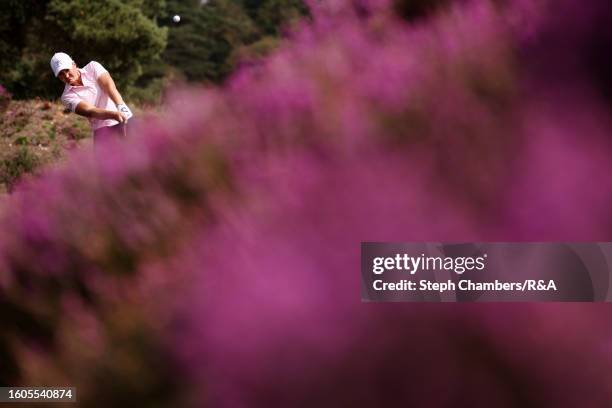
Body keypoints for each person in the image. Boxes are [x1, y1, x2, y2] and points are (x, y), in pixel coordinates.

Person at [50, 52, 134, 144]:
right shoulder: (66, 97)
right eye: (61, 74)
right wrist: (114, 115)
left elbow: (109, 87)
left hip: (125, 117)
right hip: (102, 131)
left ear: (74, 64)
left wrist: (121, 107)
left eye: (67, 70)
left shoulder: (93, 67)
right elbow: (90, 111)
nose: (66, 76)